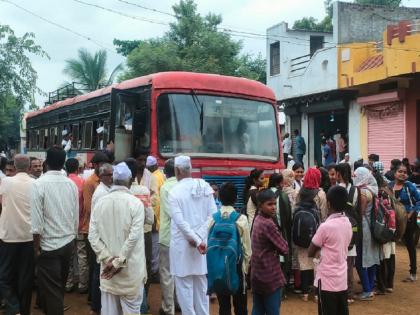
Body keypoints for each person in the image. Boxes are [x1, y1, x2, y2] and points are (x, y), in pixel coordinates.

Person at [88, 162, 146, 315]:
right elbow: (134, 238)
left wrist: (108, 259)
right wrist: (118, 262)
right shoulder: (136, 203)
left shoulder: (101, 203)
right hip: (130, 273)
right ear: (129, 181)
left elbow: (92, 236)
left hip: (108, 272)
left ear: (112, 180)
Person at [30, 147, 78, 315]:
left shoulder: (38, 185)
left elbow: (36, 223)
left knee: (53, 292)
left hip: (48, 245)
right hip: (67, 243)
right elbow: (75, 215)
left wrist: (36, 248)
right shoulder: (71, 184)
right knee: (57, 288)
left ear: (45, 163)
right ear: (63, 163)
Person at [168, 155, 217, 315]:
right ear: (190, 168)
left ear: (177, 170)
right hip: (201, 247)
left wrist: (195, 239)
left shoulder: (174, 192)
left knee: (185, 294)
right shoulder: (204, 186)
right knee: (202, 291)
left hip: (184, 248)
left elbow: (180, 222)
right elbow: (213, 215)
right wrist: (199, 238)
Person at [308, 185, 352, 315]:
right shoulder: (348, 222)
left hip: (327, 279)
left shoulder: (325, 227)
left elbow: (311, 251)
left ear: (328, 203)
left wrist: (320, 250)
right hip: (341, 278)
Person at [0, 155, 35, 315]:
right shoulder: (36, 184)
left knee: (5, 276)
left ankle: (13, 308)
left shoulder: (6, 182)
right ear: (29, 167)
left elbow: (2, 202)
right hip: (28, 237)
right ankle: (23, 310)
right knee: (25, 277)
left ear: (13, 166)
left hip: (9, 236)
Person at [209, 182, 251, 315]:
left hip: (218, 267)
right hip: (236, 267)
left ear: (219, 197)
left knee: (224, 306)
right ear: (236, 198)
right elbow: (247, 250)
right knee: (240, 306)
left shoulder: (212, 219)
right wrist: (245, 270)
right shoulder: (241, 219)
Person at [251, 189, 288, 315]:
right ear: (260, 205)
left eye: (274, 204)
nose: (273, 207)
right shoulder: (268, 224)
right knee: (272, 310)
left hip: (257, 273)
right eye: (269, 204)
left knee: (258, 309)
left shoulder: (257, 219)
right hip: (269, 274)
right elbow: (284, 248)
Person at [82, 151, 109, 314]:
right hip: (91, 229)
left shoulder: (103, 181)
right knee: (94, 266)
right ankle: (93, 300)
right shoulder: (91, 182)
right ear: (97, 166)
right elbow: (88, 207)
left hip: (99, 229)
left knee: (97, 266)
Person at [294, 167, 327, 302]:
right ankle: (317, 294)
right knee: (316, 263)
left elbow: (294, 210)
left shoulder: (299, 192)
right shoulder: (320, 194)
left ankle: (305, 293)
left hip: (301, 233)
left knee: (304, 262)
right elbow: (323, 215)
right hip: (316, 232)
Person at [389, 164, 420, 282]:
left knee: (410, 245)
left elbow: (418, 200)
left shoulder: (409, 186)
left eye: (405, 172)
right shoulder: (390, 186)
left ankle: (413, 273)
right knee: (390, 246)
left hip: (408, 221)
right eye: (400, 171)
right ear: (395, 173)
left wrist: (411, 213)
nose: (402, 174)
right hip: (392, 221)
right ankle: (388, 274)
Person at [353, 167, 380, 301]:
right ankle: (369, 286)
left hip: (364, 229)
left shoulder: (363, 193)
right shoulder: (373, 189)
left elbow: (360, 213)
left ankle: (367, 290)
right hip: (373, 228)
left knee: (360, 261)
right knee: (371, 259)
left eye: (356, 175)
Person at [335, 163, 359, 303]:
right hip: (351, 228)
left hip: (338, 228)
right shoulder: (355, 190)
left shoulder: (336, 189)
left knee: (339, 262)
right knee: (349, 263)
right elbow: (357, 211)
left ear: (340, 174)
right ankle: (349, 293)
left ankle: (340, 291)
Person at [64, 158, 88, 294]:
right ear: (78, 169)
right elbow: (84, 206)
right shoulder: (83, 182)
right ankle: (83, 284)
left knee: (68, 256)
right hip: (79, 225)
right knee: (82, 255)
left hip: (66, 226)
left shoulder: (64, 183)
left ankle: (68, 283)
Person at [158, 159, 178, 315]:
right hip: (182, 237)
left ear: (165, 173)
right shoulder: (182, 186)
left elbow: (171, 213)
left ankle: (168, 308)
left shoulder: (165, 188)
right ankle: (179, 303)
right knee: (179, 272)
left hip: (167, 236)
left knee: (166, 273)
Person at [372, 171, 396, 294]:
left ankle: (381, 286)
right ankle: (389, 284)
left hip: (384, 230)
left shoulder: (380, 193)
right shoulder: (388, 190)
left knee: (382, 259)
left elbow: (380, 214)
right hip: (392, 230)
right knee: (391, 257)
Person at [269, 173, 292, 284]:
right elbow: (288, 216)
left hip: (266, 232)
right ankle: (281, 287)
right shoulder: (283, 195)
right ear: (279, 183)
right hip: (281, 231)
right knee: (281, 258)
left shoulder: (264, 194)